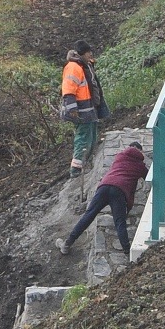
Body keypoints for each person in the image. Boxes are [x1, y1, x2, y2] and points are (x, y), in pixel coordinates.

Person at [58, 141, 148, 255]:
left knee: (89, 215)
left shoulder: (119, 156)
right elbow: (148, 179)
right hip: (119, 191)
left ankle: (67, 244)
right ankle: (127, 251)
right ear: (140, 151)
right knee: (119, 222)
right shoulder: (140, 166)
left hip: (104, 187)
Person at [60, 41, 105, 177]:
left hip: (88, 109)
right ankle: (76, 169)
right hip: (81, 110)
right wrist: (72, 109)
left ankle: (85, 163)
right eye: (88, 52)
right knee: (83, 137)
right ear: (82, 54)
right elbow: (68, 90)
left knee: (91, 136)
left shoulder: (84, 65)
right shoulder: (74, 67)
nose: (91, 54)